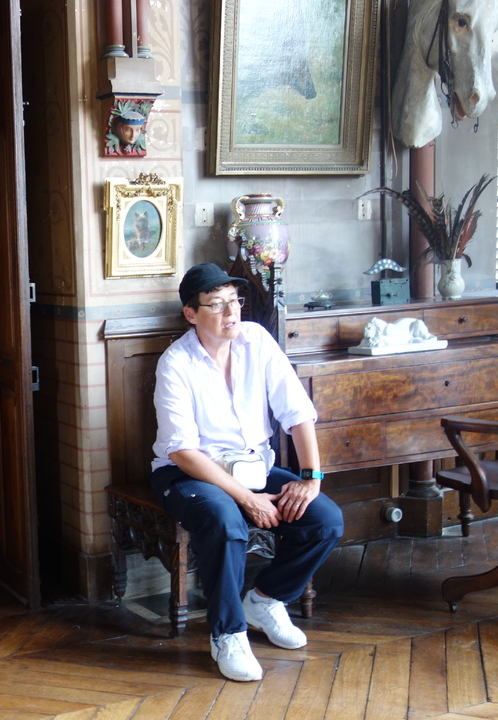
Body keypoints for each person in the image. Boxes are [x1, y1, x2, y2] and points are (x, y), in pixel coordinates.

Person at [151, 262, 343, 682]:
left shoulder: (256, 340)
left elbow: (297, 412)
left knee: (325, 520)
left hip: (254, 466)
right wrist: (246, 498)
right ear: (191, 314)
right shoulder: (176, 363)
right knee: (226, 521)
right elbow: (182, 451)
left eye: (234, 301)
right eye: (217, 304)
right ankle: (228, 633)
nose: (231, 312)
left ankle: (266, 600)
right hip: (189, 474)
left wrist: (311, 477)